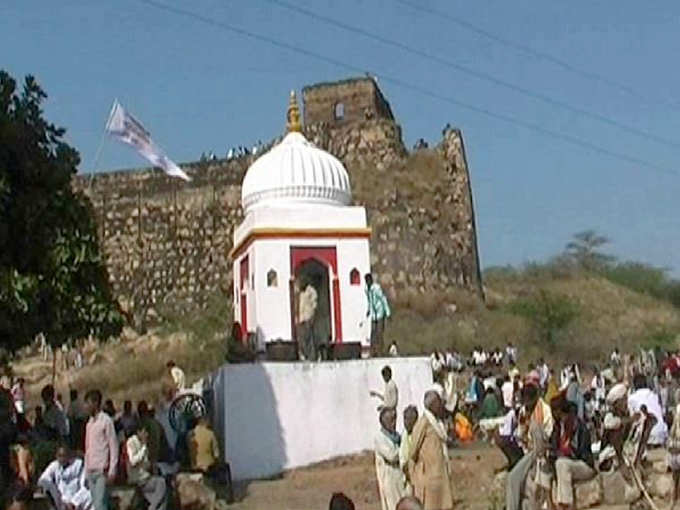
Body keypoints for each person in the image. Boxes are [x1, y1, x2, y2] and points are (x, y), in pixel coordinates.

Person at [505, 384, 554, 510]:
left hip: (539, 451)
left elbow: (547, 435)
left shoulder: (544, 410)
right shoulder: (524, 411)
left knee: (513, 478)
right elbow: (520, 433)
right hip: (526, 450)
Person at [410, 391, 453, 510]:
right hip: (430, 476)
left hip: (441, 472)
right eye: (439, 403)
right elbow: (413, 450)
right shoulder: (423, 423)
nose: (441, 406)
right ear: (433, 404)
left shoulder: (437, 423)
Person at [551, 400, 595, 510]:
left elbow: (580, 452)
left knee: (562, 464)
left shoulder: (578, 427)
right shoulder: (558, 427)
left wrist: (565, 453)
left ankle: (566, 504)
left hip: (584, 464)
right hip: (566, 463)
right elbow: (554, 446)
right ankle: (554, 503)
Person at [84, 389, 118, 510]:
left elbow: (113, 446)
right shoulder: (89, 423)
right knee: (96, 504)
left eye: (88, 403)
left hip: (102, 471)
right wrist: (86, 470)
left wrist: (112, 470)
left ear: (95, 403)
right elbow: (87, 448)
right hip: (91, 470)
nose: (86, 407)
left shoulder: (106, 421)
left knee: (100, 505)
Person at [188, 416, 233, 503]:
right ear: (206, 423)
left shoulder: (189, 434)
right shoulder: (210, 434)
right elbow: (216, 454)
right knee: (224, 469)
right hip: (208, 468)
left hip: (193, 467)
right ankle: (224, 496)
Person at [38, 443, 92, 510]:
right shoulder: (55, 465)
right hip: (60, 501)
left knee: (90, 493)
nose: (61, 459)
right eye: (59, 456)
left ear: (69, 456)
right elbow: (44, 479)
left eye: (64, 456)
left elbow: (84, 486)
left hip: (76, 500)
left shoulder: (79, 465)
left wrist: (74, 502)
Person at [126, 424, 167, 510]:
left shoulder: (144, 444)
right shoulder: (131, 442)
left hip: (146, 476)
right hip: (138, 478)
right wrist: (144, 448)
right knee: (161, 483)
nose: (146, 435)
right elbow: (133, 461)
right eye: (145, 432)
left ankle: (154, 506)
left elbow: (146, 462)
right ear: (139, 432)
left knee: (163, 496)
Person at [375, 407, 406, 510]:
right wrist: (404, 450)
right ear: (383, 422)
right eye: (390, 420)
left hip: (399, 475)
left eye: (394, 419)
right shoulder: (380, 438)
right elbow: (391, 456)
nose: (394, 423)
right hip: (389, 477)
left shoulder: (396, 436)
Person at [628, 373, 667, 446]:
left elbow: (633, 419)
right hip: (661, 432)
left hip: (646, 436)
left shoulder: (632, 398)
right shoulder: (654, 395)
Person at [365, 274, 391, 357]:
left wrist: (387, 312)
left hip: (380, 312)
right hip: (373, 314)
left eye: (369, 281)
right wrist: (369, 309)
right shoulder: (367, 289)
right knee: (373, 332)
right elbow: (369, 300)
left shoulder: (376, 288)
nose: (368, 282)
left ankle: (380, 351)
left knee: (379, 332)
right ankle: (373, 351)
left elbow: (383, 299)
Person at [298, 277, 319, 361]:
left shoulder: (311, 291)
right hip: (302, 318)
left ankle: (312, 356)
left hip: (309, 316)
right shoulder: (301, 292)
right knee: (303, 336)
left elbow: (314, 304)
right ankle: (305, 354)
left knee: (309, 336)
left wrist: (312, 315)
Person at [399, 406, 418, 495]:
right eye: (405, 419)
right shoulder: (404, 435)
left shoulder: (419, 435)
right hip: (406, 476)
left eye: (410, 419)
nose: (407, 422)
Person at [668, 389, 680, 509]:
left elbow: (672, 431)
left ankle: (673, 501)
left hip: (675, 447)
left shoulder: (676, 411)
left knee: (675, 478)